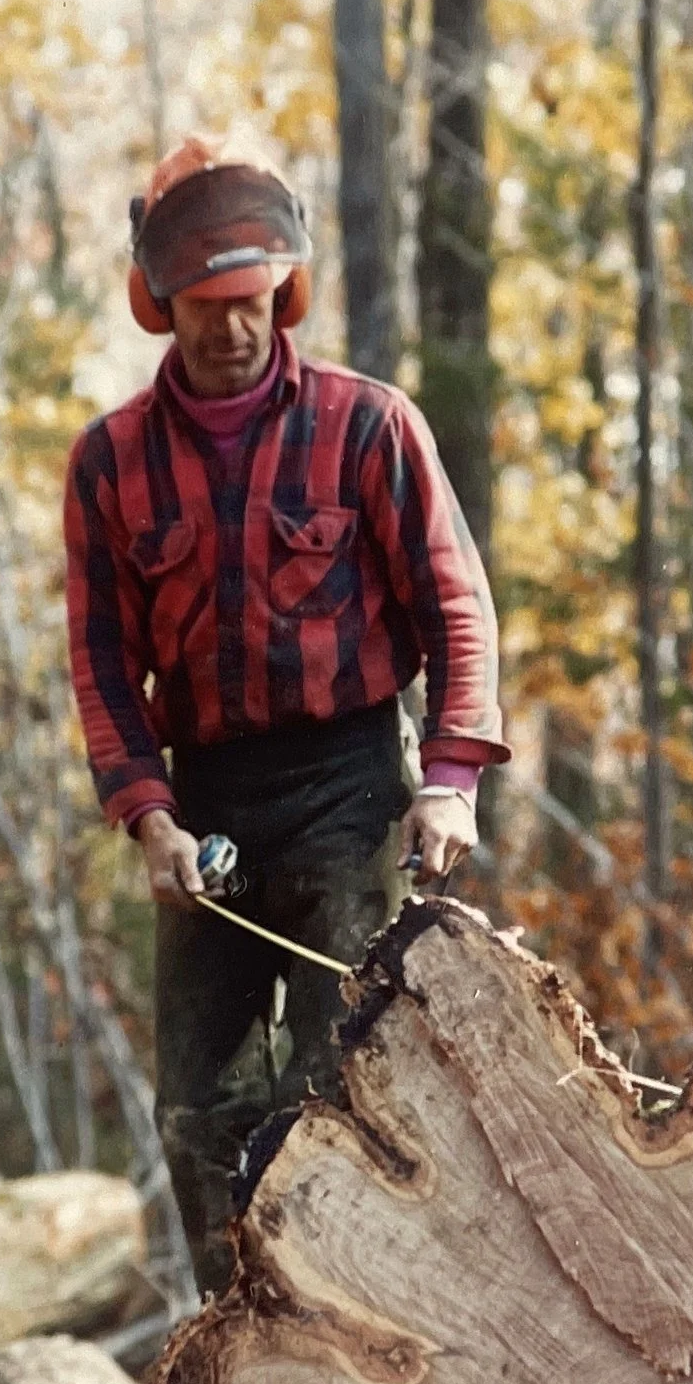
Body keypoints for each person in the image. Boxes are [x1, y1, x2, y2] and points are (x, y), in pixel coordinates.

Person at [63, 136, 506, 1294]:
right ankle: (240, 1335)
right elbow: (100, 660)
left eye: (251, 301)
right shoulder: (109, 464)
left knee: (339, 1083)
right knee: (198, 1107)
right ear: (161, 306)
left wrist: (450, 778)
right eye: (206, 307)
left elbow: (456, 606)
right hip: (205, 794)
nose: (232, 328)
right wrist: (148, 815)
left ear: (285, 293)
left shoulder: (368, 427)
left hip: (347, 784)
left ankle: (362, 1328)